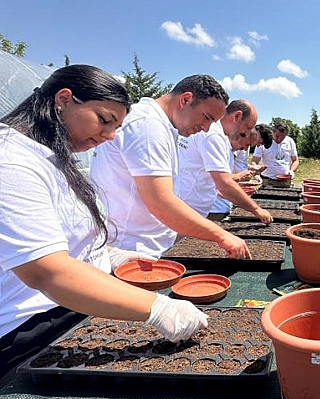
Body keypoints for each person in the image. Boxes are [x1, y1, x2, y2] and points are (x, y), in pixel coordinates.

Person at [0, 65, 208, 380]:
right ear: (64, 99)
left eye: (116, 126)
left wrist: (107, 255)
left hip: (76, 308)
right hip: (34, 331)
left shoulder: (54, 154)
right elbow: (46, 271)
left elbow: (61, 237)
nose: (109, 135)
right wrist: (157, 308)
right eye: (105, 119)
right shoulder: (12, 161)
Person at [90, 75, 250, 259]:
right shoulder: (149, 126)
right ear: (186, 99)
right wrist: (221, 235)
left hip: (142, 244)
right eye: (206, 117)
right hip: (131, 248)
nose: (206, 128)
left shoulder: (161, 125)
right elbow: (161, 202)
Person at [175, 99, 272, 223]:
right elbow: (224, 184)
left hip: (192, 209)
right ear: (237, 116)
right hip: (189, 210)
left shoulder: (219, 137)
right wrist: (257, 210)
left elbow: (215, 184)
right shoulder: (213, 135)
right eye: (247, 127)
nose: (247, 133)